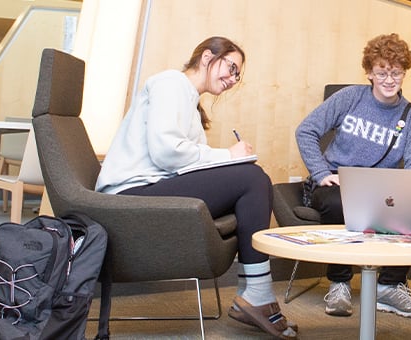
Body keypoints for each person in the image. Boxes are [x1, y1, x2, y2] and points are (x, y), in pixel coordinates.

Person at [95, 36, 298, 339]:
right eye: (231, 67)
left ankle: (252, 291)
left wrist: (230, 160)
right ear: (207, 57)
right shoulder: (171, 82)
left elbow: (191, 165)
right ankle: (256, 293)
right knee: (252, 178)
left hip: (151, 189)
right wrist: (229, 155)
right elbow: (166, 151)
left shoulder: (189, 101)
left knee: (256, 180)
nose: (232, 79)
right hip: (129, 197)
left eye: (237, 75)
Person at [295, 33, 411, 318]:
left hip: (380, 190)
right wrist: (321, 173)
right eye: (382, 72)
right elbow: (305, 131)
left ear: (405, 72)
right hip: (336, 181)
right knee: (336, 203)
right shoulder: (349, 98)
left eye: (396, 72)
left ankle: (390, 287)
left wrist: (403, 194)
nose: (390, 79)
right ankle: (339, 283)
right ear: (369, 72)